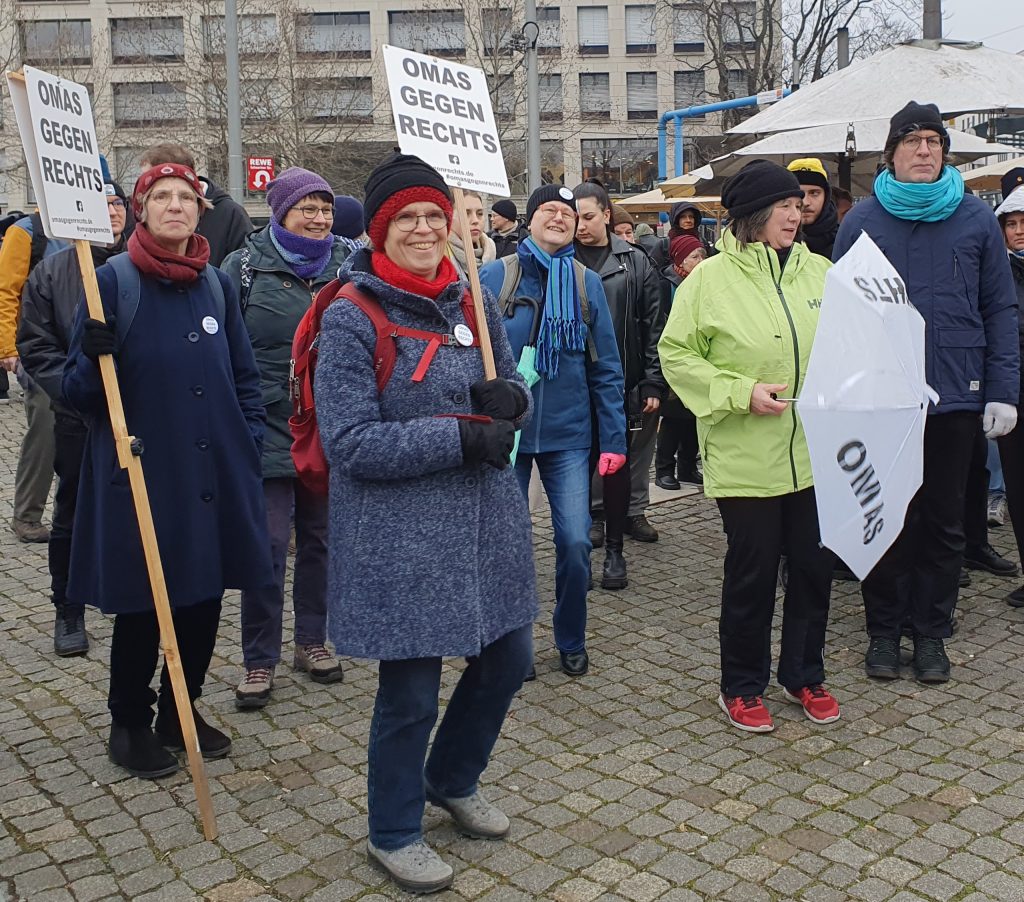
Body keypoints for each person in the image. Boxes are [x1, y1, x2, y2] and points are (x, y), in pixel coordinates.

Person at [314, 153, 537, 893]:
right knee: (409, 695)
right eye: (406, 217)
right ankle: (394, 828)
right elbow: (349, 443)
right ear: (380, 229)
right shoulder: (351, 314)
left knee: (508, 659)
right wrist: (457, 434)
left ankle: (452, 776)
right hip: (400, 538)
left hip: (486, 526)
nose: (421, 228)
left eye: (433, 217)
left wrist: (511, 404)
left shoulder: (472, 298)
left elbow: (512, 389)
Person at [62, 162, 274, 780]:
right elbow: (79, 394)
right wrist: (93, 358)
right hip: (145, 471)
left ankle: (182, 710)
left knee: (205, 592)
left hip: (215, 469)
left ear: (200, 209)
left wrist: (249, 437)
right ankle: (129, 719)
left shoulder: (216, 285)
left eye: (186, 197)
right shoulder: (110, 281)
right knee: (144, 600)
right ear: (141, 207)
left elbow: (242, 375)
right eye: (162, 197)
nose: (175, 206)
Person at [833, 102, 1019, 684]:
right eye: (911, 141)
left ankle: (932, 632)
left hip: (955, 395)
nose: (923, 150)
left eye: (933, 142)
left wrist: (1002, 389)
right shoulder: (861, 221)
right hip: (882, 397)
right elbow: (841, 315)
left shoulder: (975, 218)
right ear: (890, 153)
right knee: (885, 518)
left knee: (942, 520)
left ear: (944, 152)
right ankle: (885, 631)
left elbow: (999, 307)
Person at [659, 160, 838, 733]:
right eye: (784, 206)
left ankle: (804, 673)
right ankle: (741, 685)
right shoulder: (708, 280)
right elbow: (677, 354)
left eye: (798, 205)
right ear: (753, 217)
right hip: (744, 458)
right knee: (753, 574)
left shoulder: (823, 274)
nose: (796, 212)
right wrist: (739, 392)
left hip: (814, 455)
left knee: (813, 568)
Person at [480, 184, 626, 675]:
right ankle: (511, 643)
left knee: (577, 543)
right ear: (531, 218)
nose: (560, 219)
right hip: (508, 435)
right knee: (510, 543)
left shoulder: (586, 284)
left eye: (568, 213)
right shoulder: (495, 276)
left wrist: (615, 439)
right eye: (550, 210)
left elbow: (606, 366)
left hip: (569, 432)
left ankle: (570, 636)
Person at [221, 167, 350, 709]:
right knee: (269, 544)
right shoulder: (243, 267)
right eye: (307, 208)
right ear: (281, 211)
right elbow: (225, 346)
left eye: (325, 208)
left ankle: (312, 641)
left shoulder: (350, 262)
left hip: (328, 425)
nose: (320, 218)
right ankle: (258, 658)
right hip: (270, 424)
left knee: (320, 540)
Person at [17, 179, 129, 658]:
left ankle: (132, 596)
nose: (113, 212)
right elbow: (37, 344)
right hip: (77, 416)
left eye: (119, 203)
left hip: (139, 417)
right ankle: (68, 607)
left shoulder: (139, 268)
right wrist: (72, 388)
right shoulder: (54, 272)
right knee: (73, 510)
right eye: (102, 204)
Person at [573, 181, 666, 588]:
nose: (579, 225)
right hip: (575, 383)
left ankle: (625, 529)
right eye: (574, 217)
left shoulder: (635, 260)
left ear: (607, 215)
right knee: (584, 459)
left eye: (588, 216)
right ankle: (590, 526)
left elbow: (654, 324)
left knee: (626, 456)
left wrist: (652, 380)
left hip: (624, 378)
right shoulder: (562, 257)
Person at [0, 205, 68, 542]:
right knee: (44, 432)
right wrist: (8, 349)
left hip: (80, 348)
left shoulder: (94, 229)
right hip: (39, 351)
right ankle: (27, 515)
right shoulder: (26, 231)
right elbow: (5, 293)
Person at [139, 142, 252, 266]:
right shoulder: (120, 272)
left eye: (148, 179)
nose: (175, 207)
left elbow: (245, 271)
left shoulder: (232, 215)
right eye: (161, 197)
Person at [993, 170, 1024, 608]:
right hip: (1014, 393)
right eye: (1012, 223)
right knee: (1017, 488)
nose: (1019, 231)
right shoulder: (999, 271)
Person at [655, 234, 706, 490]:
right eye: (694, 256)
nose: (700, 261)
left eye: (702, 256)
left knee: (695, 415)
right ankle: (664, 469)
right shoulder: (665, 284)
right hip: (674, 355)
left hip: (700, 355)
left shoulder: (705, 282)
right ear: (679, 260)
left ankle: (687, 467)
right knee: (674, 418)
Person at [787, 158, 839, 258]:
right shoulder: (771, 240)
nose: (805, 202)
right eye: (799, 194)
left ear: (826, 196)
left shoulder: (844, 239)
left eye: (814, 193)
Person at [448, 190, 497, 278]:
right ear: (449, 217)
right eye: (466, 214)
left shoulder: (492, 249)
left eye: (480, 214)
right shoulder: (439, 254)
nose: (475, 220)